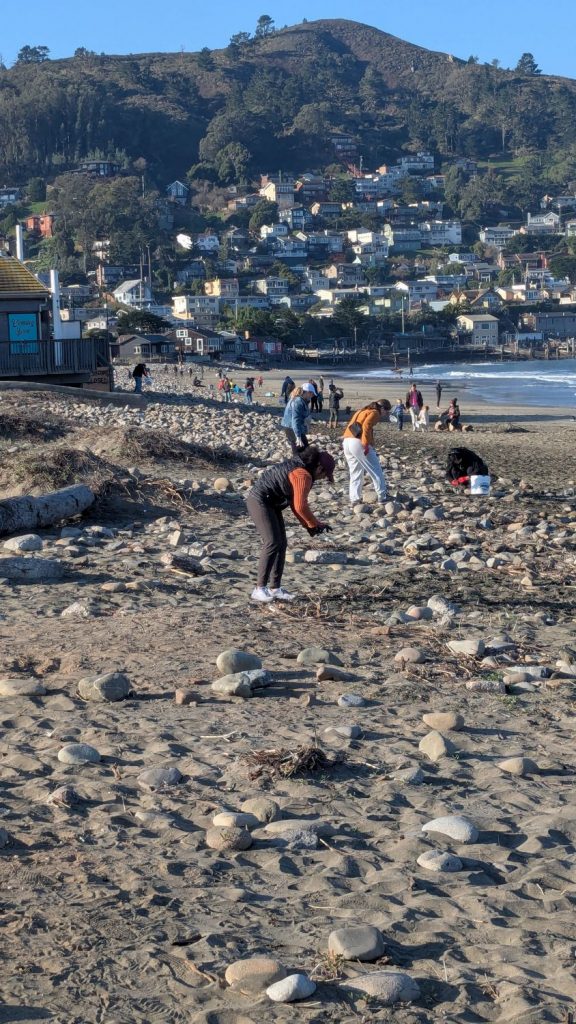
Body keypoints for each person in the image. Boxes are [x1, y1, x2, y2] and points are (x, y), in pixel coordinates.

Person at [246, 446, 335, 603]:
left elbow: (295, 506)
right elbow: (300, 506)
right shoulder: (303, 475)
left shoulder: (301, 467)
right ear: (319, 468)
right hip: (259, 501)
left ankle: (275, 589)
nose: (323, 478)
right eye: (324, 475)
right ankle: (259, 589)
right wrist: (313, 524)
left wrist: (311, 526)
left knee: (281, 543)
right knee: (272, 542)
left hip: (270, 503)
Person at [342, 400, 391, 505]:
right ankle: (382, 496)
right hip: (358, 442)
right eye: (386, 412)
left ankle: (354, 499)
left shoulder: (362, 410)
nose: (385, 415)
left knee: (355, 471)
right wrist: (365, 444)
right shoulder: (374, 412)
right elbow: (366, 426)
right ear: (382, 408)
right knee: (376, 470)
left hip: (347, 441)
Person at [281, 384, 314, 453]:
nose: (312, 396)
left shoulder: (301, 400)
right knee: (300, 450)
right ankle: (297, 461)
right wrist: (298, 436)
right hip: (291, 428)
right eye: (311, 393)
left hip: (294, 427)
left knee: (305, 448)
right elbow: (295, 419)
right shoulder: (298, 402)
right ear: (307, 392)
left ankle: (300, 461)